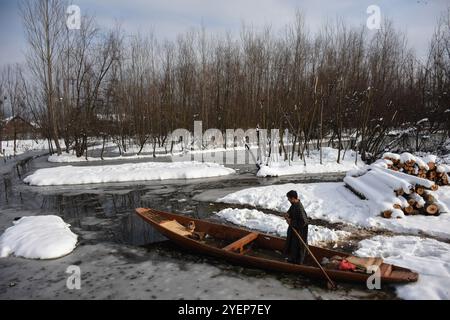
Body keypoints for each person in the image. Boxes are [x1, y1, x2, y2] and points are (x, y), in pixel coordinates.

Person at [284, 190, 309, 264]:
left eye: (289, 198)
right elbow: (291, 211)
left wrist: (291, 222)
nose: (288, 200)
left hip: (299, 231)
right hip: (294, 229)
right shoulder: (294, 204)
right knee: (292, 244)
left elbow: (304, 222)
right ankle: (292, 258)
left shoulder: (299, 207)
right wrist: (287, 214)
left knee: (297, 245)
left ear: (293, 198)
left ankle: (297, 261)